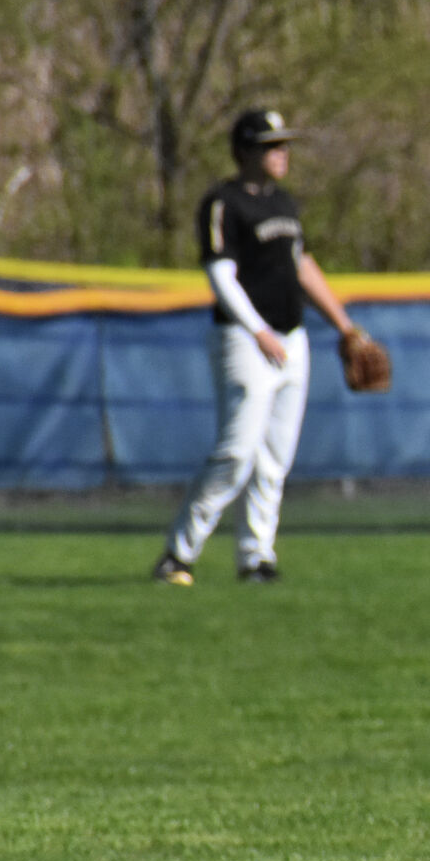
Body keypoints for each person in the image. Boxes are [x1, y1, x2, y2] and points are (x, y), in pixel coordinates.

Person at [151, 109, 371, 585]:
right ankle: (178, 554)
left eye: (284, 144)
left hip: (292, 339)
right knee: (236, 453)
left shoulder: (285, 204)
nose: (282, 153)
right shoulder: (223, 202)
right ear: (245, 151)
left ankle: (256, 558)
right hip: (244, 340)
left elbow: (302, 265)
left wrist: (345, 326)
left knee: (274, 458)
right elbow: (219, 274)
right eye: (272, 145)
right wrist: (257, 331)